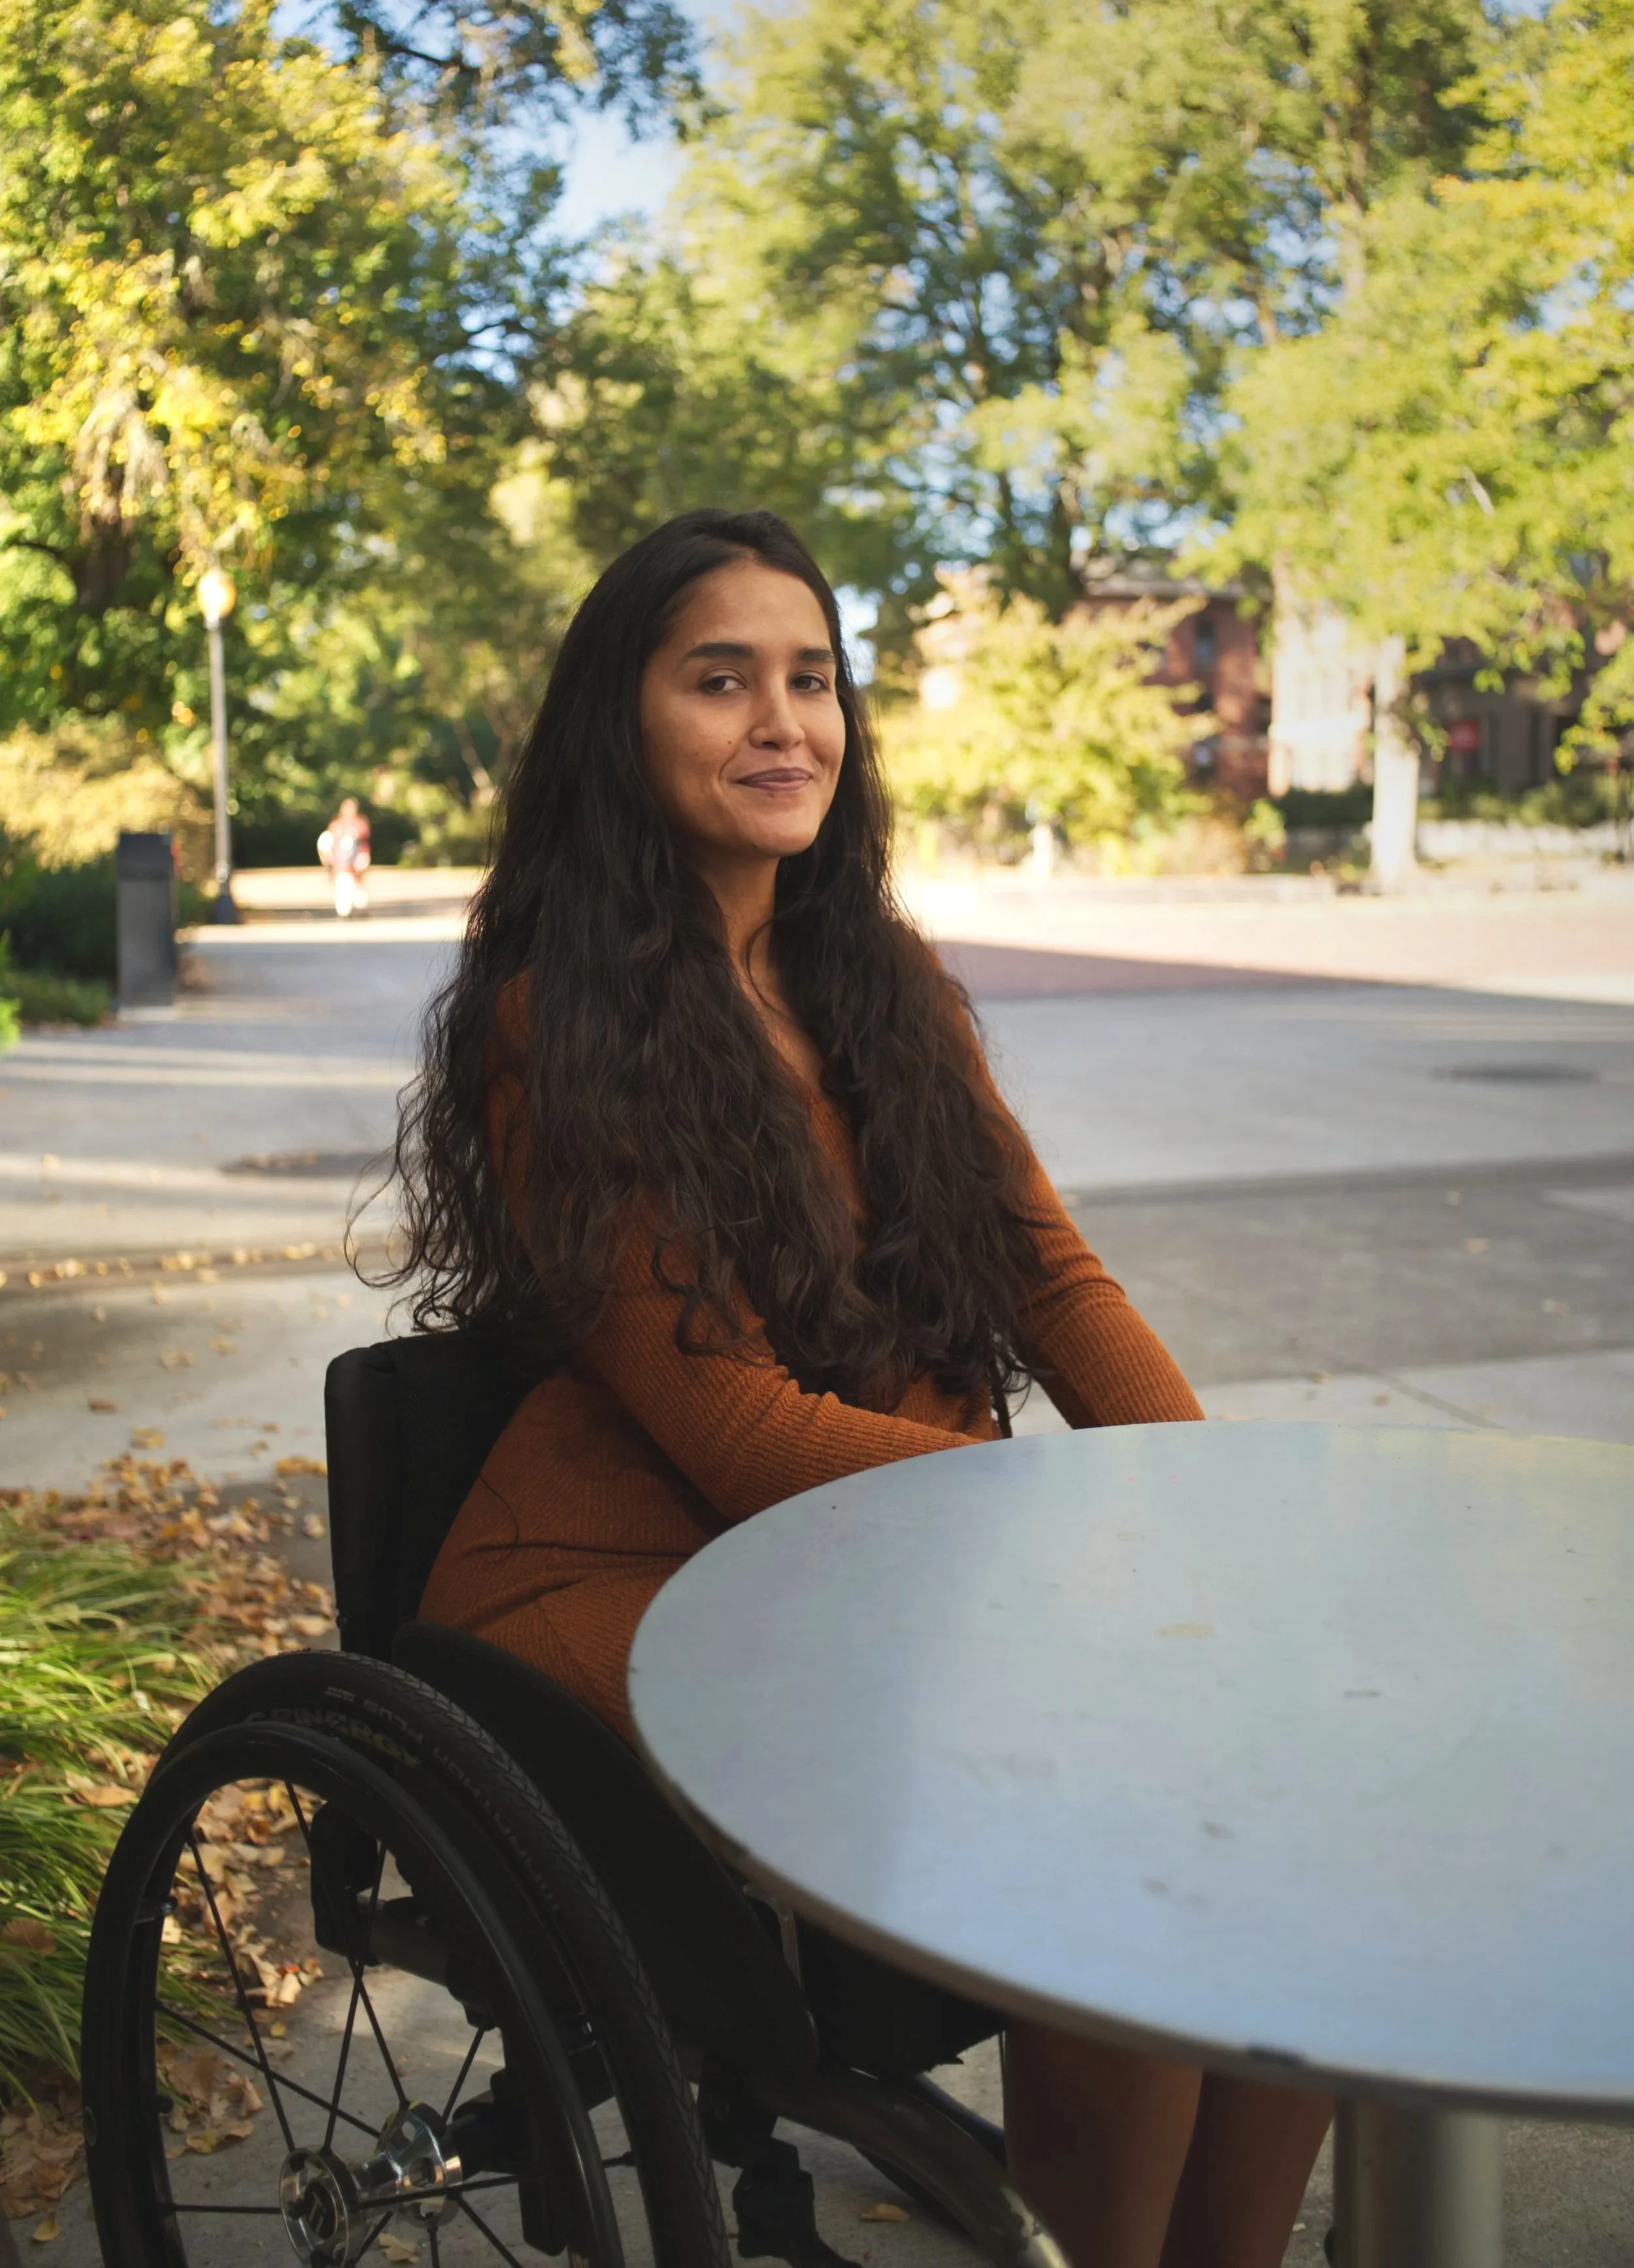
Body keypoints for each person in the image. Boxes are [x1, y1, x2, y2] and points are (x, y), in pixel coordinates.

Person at [394, 509, 1331, 2268]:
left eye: (809, 678)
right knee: (1114, 1838)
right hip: (624, 1579)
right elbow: (730, 1427)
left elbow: (1051, 1278)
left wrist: (1213, 1515)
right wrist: (1047, 1536)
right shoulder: (555, 1022)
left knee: (1275, 1797)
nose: (782, 722)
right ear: (625, 724)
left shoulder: (877, 981)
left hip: (863, 1549)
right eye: (720, 678)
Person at [317, 796, 371, 918]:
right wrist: (327, 857)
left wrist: (364, 858)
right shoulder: (336, 826)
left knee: (359, 887)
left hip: (356, 862)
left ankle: (361, 909)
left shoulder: (360, 824)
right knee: (343, 887)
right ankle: (344, 912)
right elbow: (326, 842)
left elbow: (364, 844)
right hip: (341, 863)